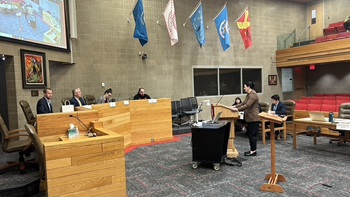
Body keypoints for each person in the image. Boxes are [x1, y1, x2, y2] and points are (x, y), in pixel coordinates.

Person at [230, 81, 260, 156]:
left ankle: (253, 151)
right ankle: (252, 150)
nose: (244, 88)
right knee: (250, 134)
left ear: (249, 87)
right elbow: (243, 103)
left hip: (254, 118)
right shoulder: (249, 94)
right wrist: (234, 106)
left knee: (252, 135)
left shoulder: (253, 95)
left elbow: (247, 105)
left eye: (244, 87)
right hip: (249, 117)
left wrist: (237, 109)